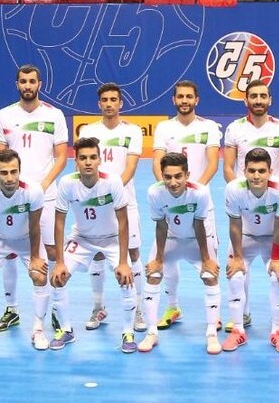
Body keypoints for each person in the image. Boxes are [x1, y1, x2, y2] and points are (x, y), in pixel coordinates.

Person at [0, 64, 68, 333]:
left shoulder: (55, 115)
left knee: (51, 251)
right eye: (23, 81)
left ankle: (57, 311)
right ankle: (11, 309)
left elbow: (62, 156)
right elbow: (0, 157)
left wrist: (44, 184)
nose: (27, 85)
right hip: (11, 196)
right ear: (17, 84)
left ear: (40, 84)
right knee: (10, 251)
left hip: (46, 196)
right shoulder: (4, 116)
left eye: (32, 81)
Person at [49, 137, 137, 353]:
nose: (88, 162)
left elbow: (123, 222)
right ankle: (66, 330)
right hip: (82, 239)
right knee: (58, 278)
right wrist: (59, 262)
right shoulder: (67, 183)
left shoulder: (112, 182)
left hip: (111, 238)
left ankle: (128, 332)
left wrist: (123, 262)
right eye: (83, 158)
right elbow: (59, 223)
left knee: (126, 279)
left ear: (99, 160)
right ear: (76, 162)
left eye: (92, 157)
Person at [222, 79, 279, 334]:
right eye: (254, 96)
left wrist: (274, 196)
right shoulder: (234, 128)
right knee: (237, 270)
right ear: (246, 100)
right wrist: (245, 196)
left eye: (263, 96)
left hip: (273, 205)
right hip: (245, 205)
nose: (259, 100)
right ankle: (243, 314)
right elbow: (228, 167)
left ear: (270, 99)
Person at [152, 80, 221, 330]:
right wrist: (171, 192)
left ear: (196, 100)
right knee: (168, 258)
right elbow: (157, 162)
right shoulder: (163, 127)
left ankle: (215, 314)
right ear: (174, 100)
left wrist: (192, 193)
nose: (184, 100)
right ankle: (172, 307)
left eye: (189, 96)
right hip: (171, 203)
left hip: (200, 204)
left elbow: (213, 163)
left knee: (209, 260)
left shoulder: (209, 127)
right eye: (180, 96)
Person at [78, 83, 145, 332]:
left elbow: (130, 167)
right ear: (99, 104)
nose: (109, 104)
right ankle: (98, 308)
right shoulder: (88, 130)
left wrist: (110, 192)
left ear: (120, 103)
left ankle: (137, 309)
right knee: (97, 253)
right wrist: (97, 195)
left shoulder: (133, 131)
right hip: (94, 205)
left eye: (113, 99)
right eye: (104, 100)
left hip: (125, 201)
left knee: (133, 254)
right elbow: (82, 165)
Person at [138, 153, 221, 354]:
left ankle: (212, 334)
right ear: (162, 176)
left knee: (210, 276)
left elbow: (199, 225)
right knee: (153, 275)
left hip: (196, 240)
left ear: (187, 175)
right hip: (171, 239)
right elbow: (161, 226)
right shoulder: (155, 192)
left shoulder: (200, 193)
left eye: (178, 176)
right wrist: (158, 259)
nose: (173, 182)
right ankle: (151, 333)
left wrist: (206, 259)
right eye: (168, 177)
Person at [0, 150, 50, 352]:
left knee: (40, 276)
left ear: (20, 171)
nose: (9, 178)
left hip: (25, 239)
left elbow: (35, 226)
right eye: (4, 173)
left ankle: (38, 330)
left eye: (14, 172)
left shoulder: (33, 191)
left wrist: (35, 257)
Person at [222, 148, 279, 353]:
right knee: (235, 276)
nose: (256, 176)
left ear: (270, 171)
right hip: (245, 237)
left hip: (272, 238)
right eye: (251, 171)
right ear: (244, 171)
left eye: (262, 171)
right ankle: (238, 330)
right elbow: (235, 225)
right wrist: (237, 257)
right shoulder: (234, 189)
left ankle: (277, 331)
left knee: (278, 276)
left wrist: (276, 258)